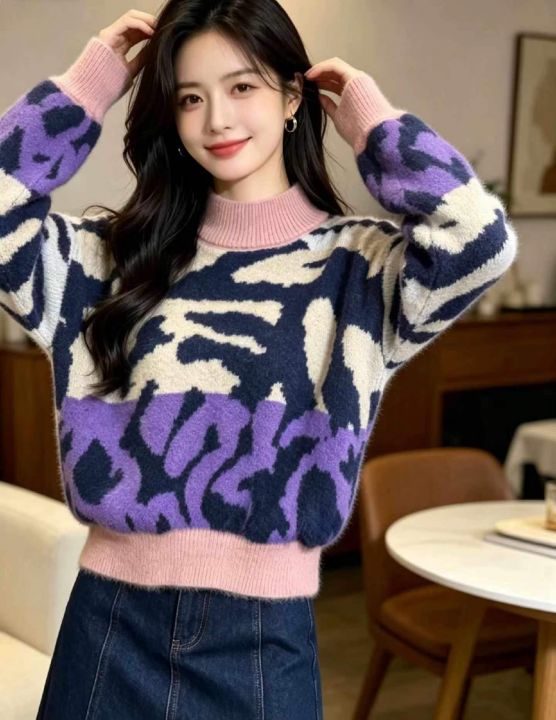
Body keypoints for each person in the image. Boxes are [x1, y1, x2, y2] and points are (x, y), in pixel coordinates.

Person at [0, 1, 518, 718]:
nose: (217, 120)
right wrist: (84, 90)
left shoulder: (360, 267)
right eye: (190, 97)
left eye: (242, 86)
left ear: (293, 95)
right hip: (108, 626)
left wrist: (375, 127)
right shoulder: (109, 259)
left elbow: (480, 240)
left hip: (262, 642)